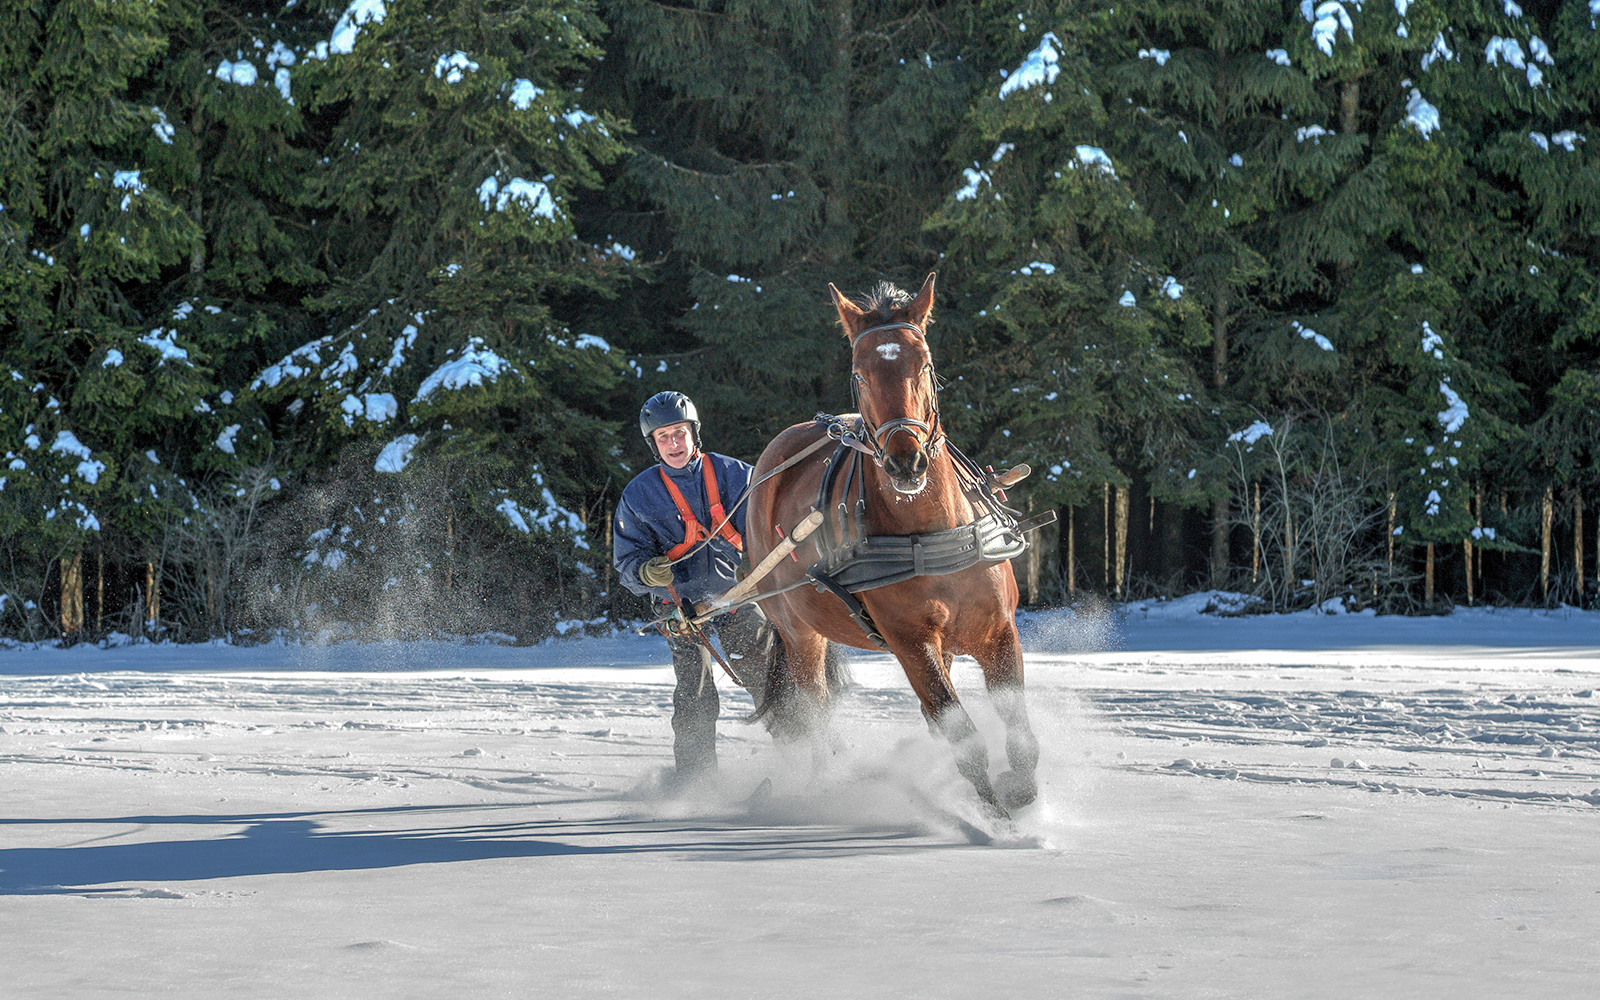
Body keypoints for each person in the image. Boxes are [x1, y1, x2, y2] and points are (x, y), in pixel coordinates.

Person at [613, 390, 777, 784]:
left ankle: (807, 762)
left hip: (733, 596)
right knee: (696, 693)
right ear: (653, 444)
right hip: (679, 609)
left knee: (768, 675)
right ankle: (696, 783)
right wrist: (645, 573)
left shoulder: (735, 474)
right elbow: (626, 562)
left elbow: (774, 517)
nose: (673, 443)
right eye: (663, 437)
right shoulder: (638, 494)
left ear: (694, 433)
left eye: (679, 433)